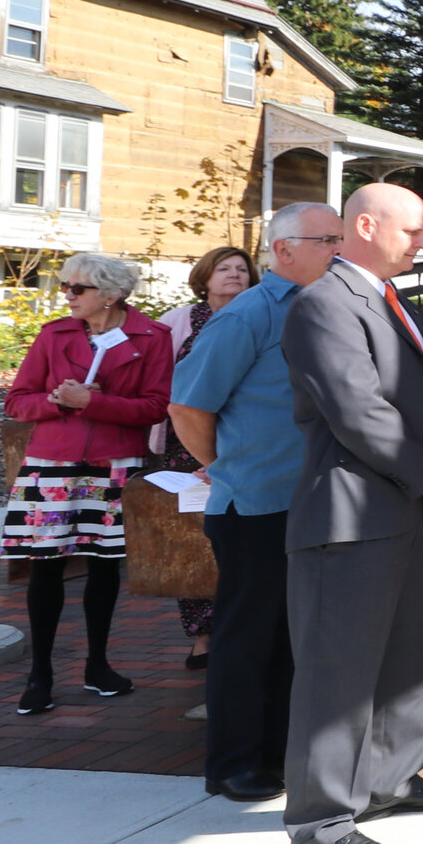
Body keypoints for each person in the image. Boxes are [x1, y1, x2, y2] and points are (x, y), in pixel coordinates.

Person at [278, 184, 423, 844]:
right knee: (338, 674)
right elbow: (356, 411)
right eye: (414, 229)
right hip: (351, 516)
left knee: (400, 660)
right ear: (366, 223)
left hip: (408, 508)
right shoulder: (323, 304)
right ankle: (321, 821)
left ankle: (389, 780)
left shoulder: (399, 303)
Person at [168, 204, 342, 802]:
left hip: (310, 502)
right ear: (285, 249)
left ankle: (277, 752)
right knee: (246, 638)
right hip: (255, 506)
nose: (338, 250)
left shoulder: (323, 308)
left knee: (292, 638)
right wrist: (225, 468)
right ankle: (233, 763)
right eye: (327, 240)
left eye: (340, 239)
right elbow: (188, 407)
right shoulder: (247, 317)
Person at [2, 252, 176, 715]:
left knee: (104, 566)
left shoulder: (152, 337)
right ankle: (40, 674)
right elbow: (17, 402)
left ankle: (98, 665)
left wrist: (94, 403)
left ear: (111, 294)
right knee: (45, 566)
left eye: (77, 289)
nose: (67, 295)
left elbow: (157, 407)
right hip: (51, 462)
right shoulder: (53, 335)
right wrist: (61, 403)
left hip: (116, 461)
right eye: (65, 287)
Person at [154, 244, 253, 670]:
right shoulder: (177, 321)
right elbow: (160, 383)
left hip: (241, 444)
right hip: (184, 446)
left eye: (242, 269)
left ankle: (236, 629)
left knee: (234, 541)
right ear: (205, 275)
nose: (234, 275)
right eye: (224, 268)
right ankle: (202, 636)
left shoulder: (257, 315)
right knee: (191, 544)